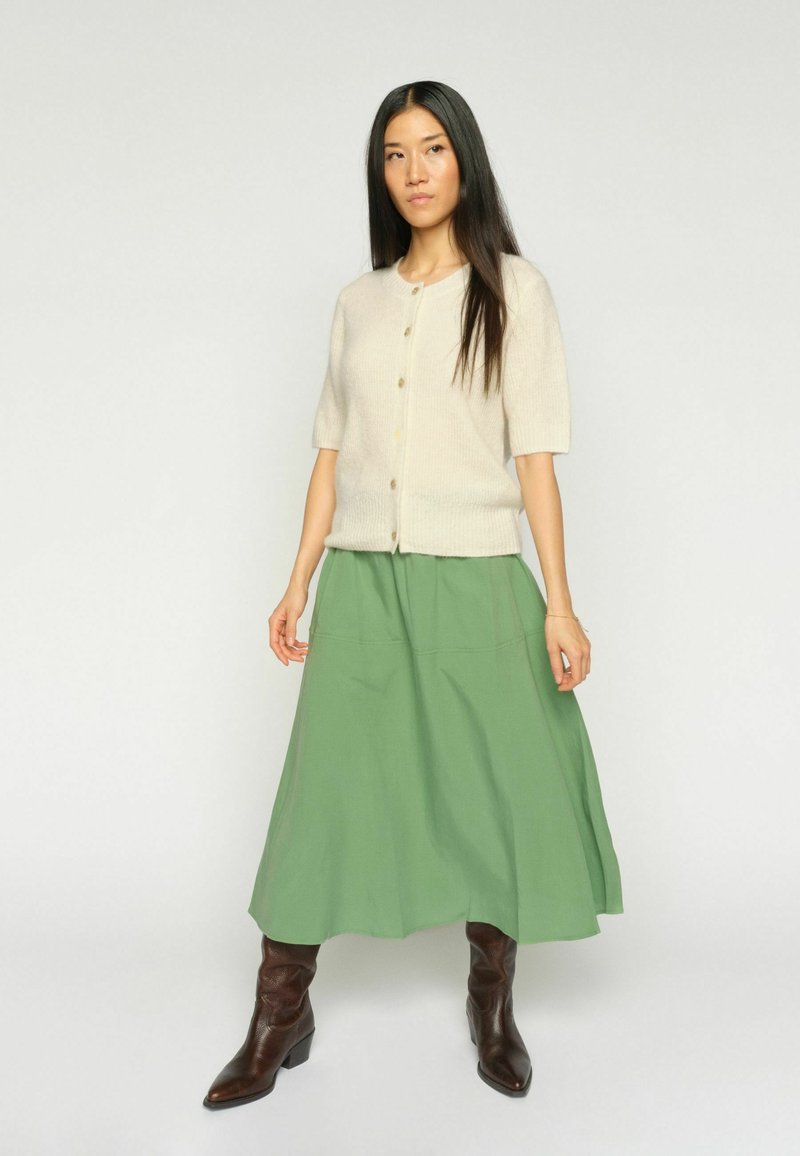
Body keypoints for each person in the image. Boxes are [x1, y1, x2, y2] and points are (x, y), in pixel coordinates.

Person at [203, 79, 623, 1109]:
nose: (413, 171)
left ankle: (491, 1000)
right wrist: (298, 578)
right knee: (321, 796)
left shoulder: (514, 291)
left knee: (495, 788)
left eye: (432, 148)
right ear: (378, 174)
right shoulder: (359, 302)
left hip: (477, 578)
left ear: (464, 160)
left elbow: (535, 459)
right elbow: (329, 451)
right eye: (394, 154)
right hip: (361, 583)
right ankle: (278, 1014)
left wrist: (559, 602)